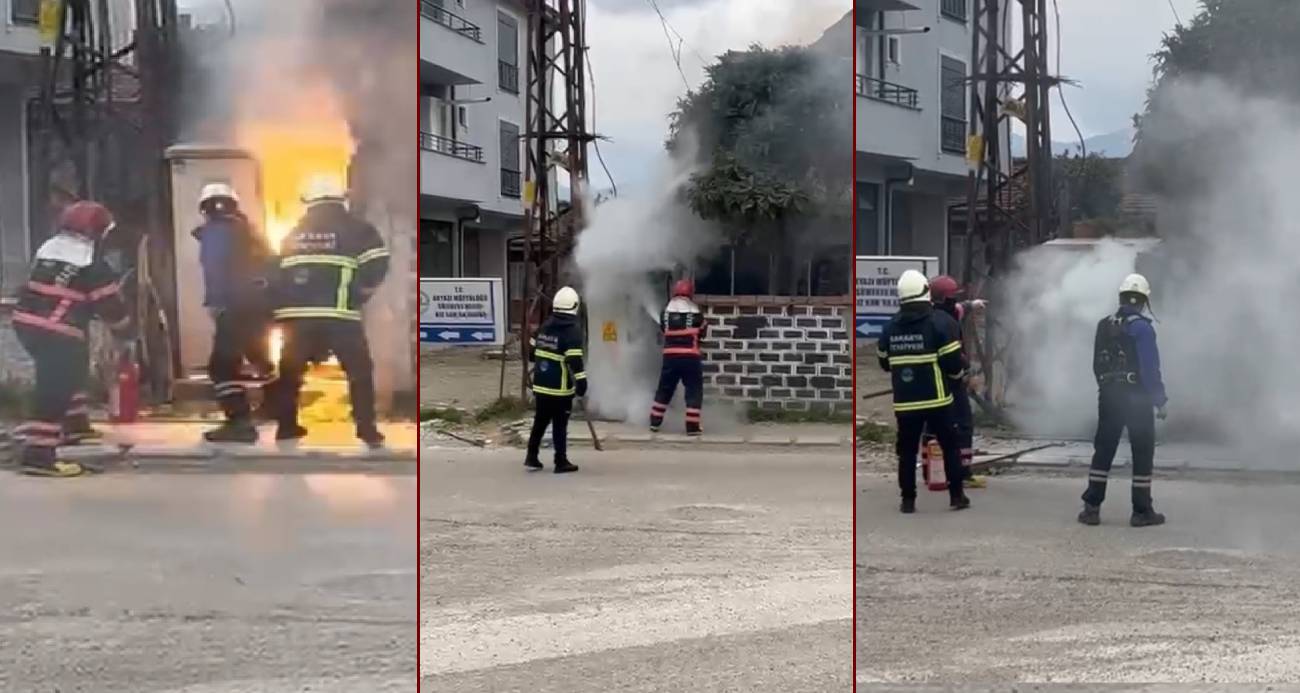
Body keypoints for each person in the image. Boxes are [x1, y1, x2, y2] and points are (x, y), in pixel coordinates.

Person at [12, 201, 133, 477]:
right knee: (55, 387)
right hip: (57, 329)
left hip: (27, 325)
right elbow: (110, 306)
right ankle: (38, 454)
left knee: (72, 369)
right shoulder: (92, 263)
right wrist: (126, 332)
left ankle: (75, 425)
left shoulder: (49, 249)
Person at [270, 175, 390, 449]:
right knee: (359, 372)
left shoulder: (292, 233)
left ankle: (286, 428)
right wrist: (360, 293)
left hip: (296, 319)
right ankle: (367, 430)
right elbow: (378, 263)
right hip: (340, 317)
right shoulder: (358, 230)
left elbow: (277, 274)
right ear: (340, 200)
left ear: (309, 203)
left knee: (290, 374)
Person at [1079, 273, 1168, 527]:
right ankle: (1141, 512)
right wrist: (1159, 400)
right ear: (1143, 301)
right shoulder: (1142, 327)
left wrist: (1107, 389)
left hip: (1109, 395)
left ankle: (1091, 508)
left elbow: (1097, 364)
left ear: (1120, 297)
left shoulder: (1103, 325)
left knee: (1104, 448)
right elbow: (1150, 369)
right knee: (1142, 451)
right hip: (1137, 398)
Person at [878, 269, 969, 513]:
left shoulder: (889, 328)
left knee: (906, 452)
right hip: (937, 400)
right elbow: (952, 363)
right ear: (926, 293)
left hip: (905, 404)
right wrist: (958, 378)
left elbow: (884, 362)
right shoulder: (940, 323)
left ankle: (908, 501)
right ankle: (957, 496)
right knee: (950, 446)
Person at [193, 183, 278, 443]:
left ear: (205, 209)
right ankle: (278, 408)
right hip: (260, 307)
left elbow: (217, 271)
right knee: (259, 359)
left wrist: (216, 305)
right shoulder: (251, 232)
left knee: (222, 367)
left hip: (234, 306)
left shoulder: (216, 232)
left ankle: (239, 423)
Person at [930, 275, 988, 488]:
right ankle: (963, 472)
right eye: (953, 297)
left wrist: (973, 304)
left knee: (933, 426)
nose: (956, 301)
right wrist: (964, 373)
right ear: (947, 298)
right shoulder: (948, 320)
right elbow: (953, 356)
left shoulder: (928, 316)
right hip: (952, 380)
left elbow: (962, 307)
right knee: (963, 424)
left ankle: (933, 472)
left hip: (930, 382)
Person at [525, 286, 586, 474]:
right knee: (560, 424)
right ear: (575, 306)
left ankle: (531, 456)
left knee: (540, 421)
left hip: (541, 385)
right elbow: (575, 359)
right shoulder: (572, 330)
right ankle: (561, 461)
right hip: (560, 389)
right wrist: (581, 381)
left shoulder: (545, 325)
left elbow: (532, 354)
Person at [649, 278, 707, 435]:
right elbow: (703, 333)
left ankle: (654, 422)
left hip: (670, 357)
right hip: (690, 357)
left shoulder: (665, 313)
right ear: (690, 293)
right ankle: (692, 426)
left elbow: (663, 329)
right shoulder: (696, 313)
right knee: (693, 390)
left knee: (664, 389)